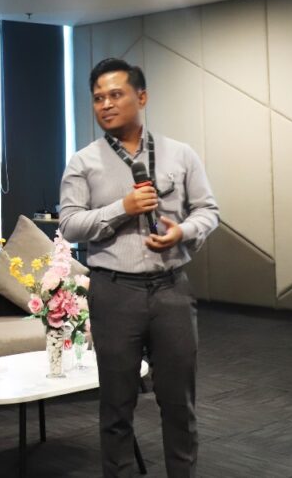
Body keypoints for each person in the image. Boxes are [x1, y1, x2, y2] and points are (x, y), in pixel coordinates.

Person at [59, 58, 219, 477]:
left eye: (116, 95)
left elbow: (207, 210)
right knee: (116, 404)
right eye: (98, 98)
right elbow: (70, 224)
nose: (106, 105)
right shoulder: (83, 162)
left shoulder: (180, 154)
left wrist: (182, 231)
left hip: (172, 289)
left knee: (179, 404)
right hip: (114, 292)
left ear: (141, 97)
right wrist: (122, 208)